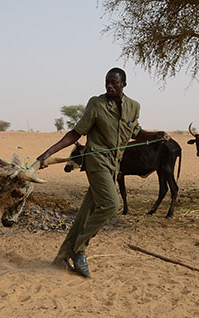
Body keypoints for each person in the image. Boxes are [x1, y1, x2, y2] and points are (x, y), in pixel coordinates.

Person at [36, 67, 168, 277]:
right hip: (96, 160)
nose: (109, 86)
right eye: (107, 82)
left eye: (114, 83)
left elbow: (136, 132)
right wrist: (48, 152)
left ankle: (61, 258)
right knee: (111, 204)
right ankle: (78, 248)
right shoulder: (96, 104)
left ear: (124, 84)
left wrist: (157, 134)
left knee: (85, 214)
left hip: (114, 164)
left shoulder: (134, 107)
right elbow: (75, 134)